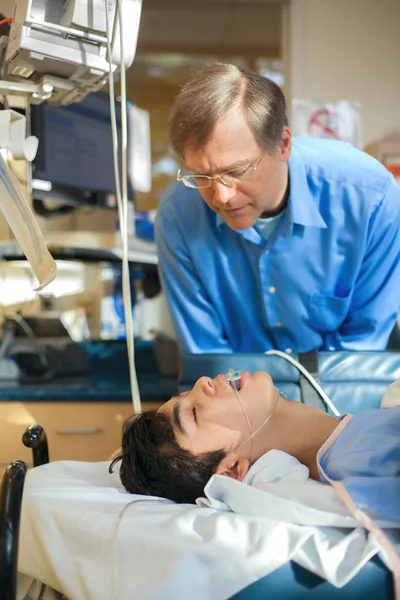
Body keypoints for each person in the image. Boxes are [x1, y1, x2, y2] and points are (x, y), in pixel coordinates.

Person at [155, 63, 400, 354]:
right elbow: (207, 356)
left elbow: (360, 350)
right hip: (236, 391)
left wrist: (282, 402)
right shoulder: (177, 216)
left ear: (283, 144)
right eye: (201, 176)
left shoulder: (371, 198)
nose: (221, 196)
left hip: (340, 389)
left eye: (236, 171)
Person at [111, 370, 400, 527]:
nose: (202, 382)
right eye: (194, 414)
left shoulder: (367, 429)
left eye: (187, 394)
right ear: (234, 470)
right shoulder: (367, 461)